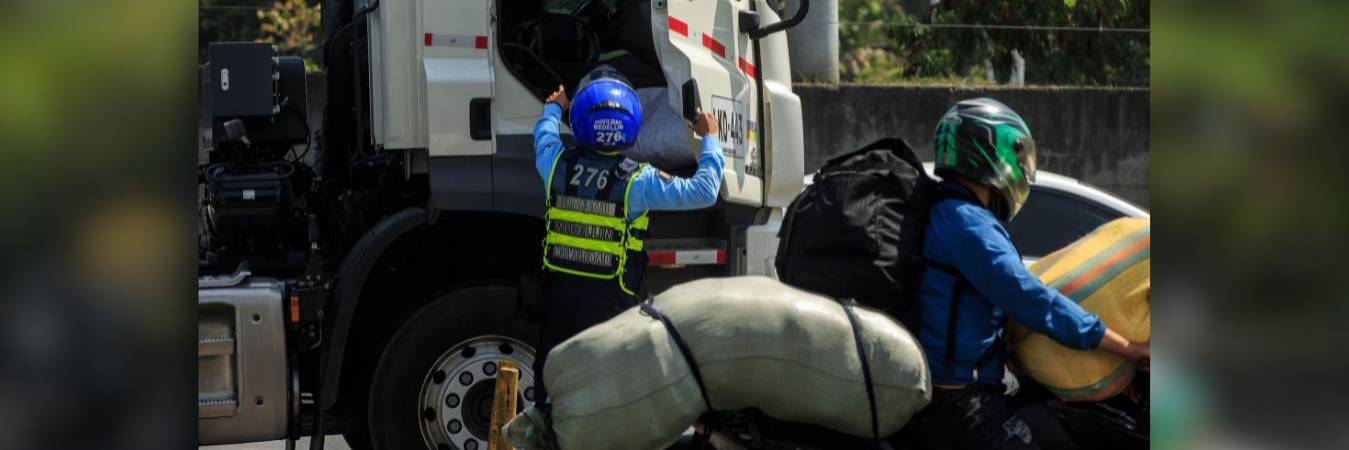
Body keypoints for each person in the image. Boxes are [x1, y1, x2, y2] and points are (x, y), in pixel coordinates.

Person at [911, 98, 1150, 449]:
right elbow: (1033, 300)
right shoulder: (966, 223)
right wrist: (1126, 347)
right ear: (988, 151)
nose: (1022, 170)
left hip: (971, 390)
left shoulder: (955, 214)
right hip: (960, 401)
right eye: (1018, 155)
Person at [530, 65, 724, 404]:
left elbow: (543, 136)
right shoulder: (639, 181)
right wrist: (710, 138)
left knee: (553, 391)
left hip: (560, 302)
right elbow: (705, 190)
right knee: (614, 396)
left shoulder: (556, 166)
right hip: (614, 304)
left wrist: (553, 107)